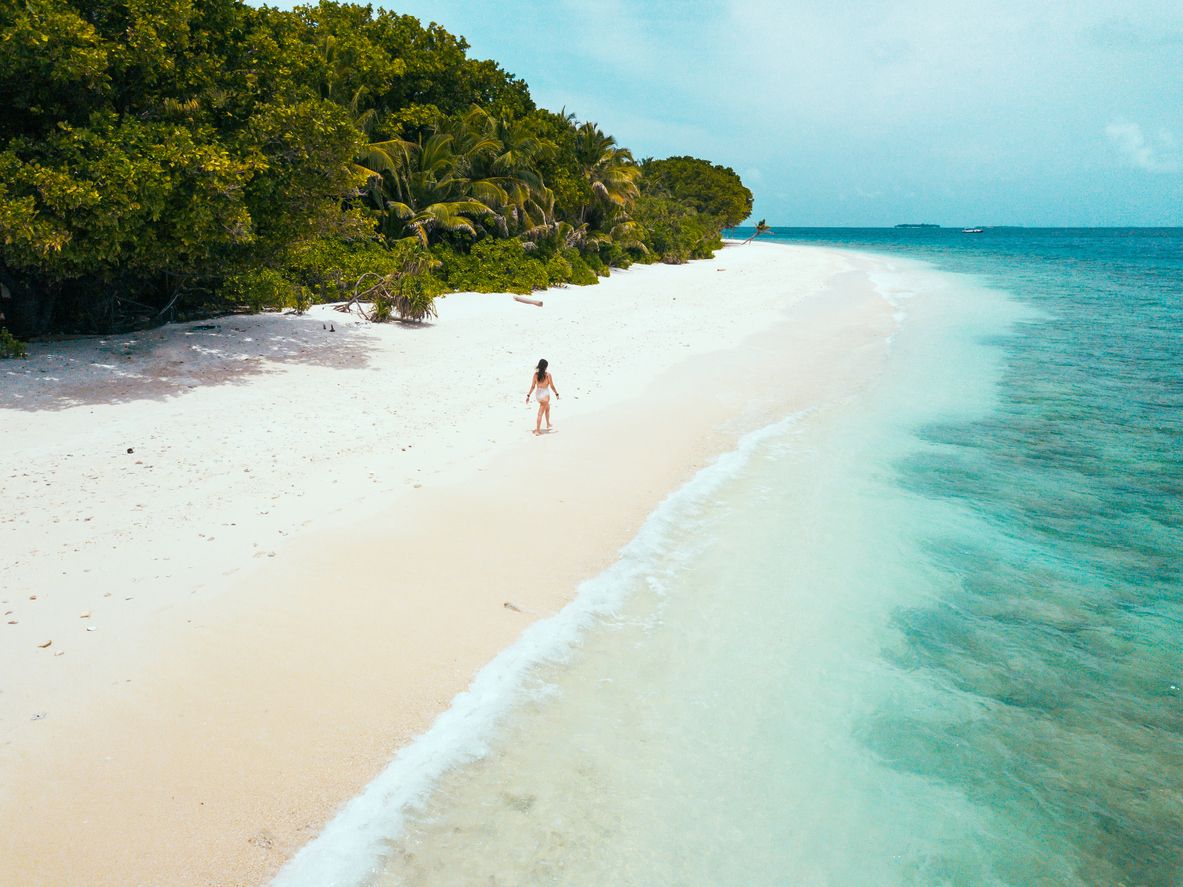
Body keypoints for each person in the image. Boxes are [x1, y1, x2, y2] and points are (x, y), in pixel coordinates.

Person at [526, 358, 559, 435]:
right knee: (540, 413)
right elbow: (552, 386)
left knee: (547, 407)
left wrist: (528, 395)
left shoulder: (535, 375)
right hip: (545, 394)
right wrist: (556, 393)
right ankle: (537, 430)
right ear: (545, 367)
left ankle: (548, 424)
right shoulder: (548, 375)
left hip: (538, 394)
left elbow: (533, 386)